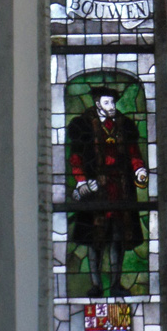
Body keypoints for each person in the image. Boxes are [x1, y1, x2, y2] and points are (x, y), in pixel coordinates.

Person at [67, 85, 149, 296]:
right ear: (97, 104)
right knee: (94, 240)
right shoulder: (83, 125)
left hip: (121, 189)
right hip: (95, 190)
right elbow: (76, 157)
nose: (111, 106)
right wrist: (81, 182)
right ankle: (96, 285)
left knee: (118, 237)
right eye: (106, 103)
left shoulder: (124, 126)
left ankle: (115, 285)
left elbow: (133, 153)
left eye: (113, 102)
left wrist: (139, 170)